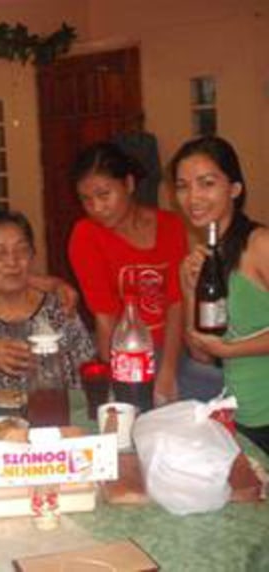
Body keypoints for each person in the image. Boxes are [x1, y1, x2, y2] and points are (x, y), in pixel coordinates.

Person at [67, 142, 189, 405]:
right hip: (124, 356)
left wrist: (167, 373)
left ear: (129, 184)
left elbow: (176, 302)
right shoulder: (86, 236)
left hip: (173, 350)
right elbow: (105, 317)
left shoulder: (171, 226)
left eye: (104, 194)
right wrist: (118, 381)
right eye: (86, 199)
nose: (96, 207)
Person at [173, 136, 269, 453]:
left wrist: (230, 350)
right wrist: (188, 290)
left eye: (207, 183)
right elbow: (202, 352)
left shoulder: (259, 244)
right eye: (183, 186)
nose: (193, 197)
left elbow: (223, 349)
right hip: (244, 414)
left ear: (235, 189)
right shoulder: (208, 256)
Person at [0, 211, 95, 391]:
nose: (12, 261)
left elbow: (89, 370)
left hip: (59, 413)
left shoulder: (58, 306)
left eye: (22, 250)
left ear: (33, 255)